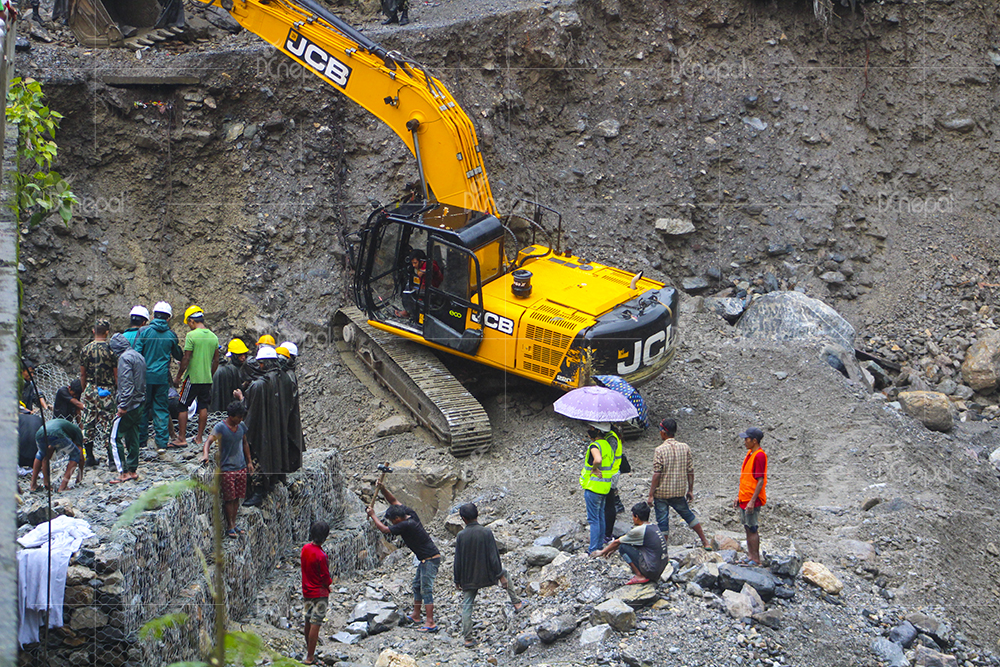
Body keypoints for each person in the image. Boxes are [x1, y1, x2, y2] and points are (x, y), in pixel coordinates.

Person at [366, 484, 441, 632]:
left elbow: (385, 529)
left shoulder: (407, 524)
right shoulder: (408, 513)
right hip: (425, 558)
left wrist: (373, 515)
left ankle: (430, 622)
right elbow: (393, 500)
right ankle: (416, 615)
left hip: (430, 559)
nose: (393, 523)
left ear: (398, 518)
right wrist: (382, 489)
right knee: (416, 586)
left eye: (393, 521)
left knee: (426, 589)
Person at [453, 503, 522, 647]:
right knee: (507, 574)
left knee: (467, 605)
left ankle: (468, 638)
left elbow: (457, 560)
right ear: (477, 515)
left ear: (463, 519)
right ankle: (517, 603)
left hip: (469, 578)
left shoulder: (461, 536)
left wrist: (457, 579)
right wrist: (500, 576)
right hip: (487, 575)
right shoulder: (486, 532)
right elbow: (493, 557)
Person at [646, 418, 711, 550]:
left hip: (662, 494)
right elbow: (690, 470)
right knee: (689, 516)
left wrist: (651, 494)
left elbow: (657, 474)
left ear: (664, 432)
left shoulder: (659, 450)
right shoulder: (685, 447)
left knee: (663, 522)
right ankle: (705, 541)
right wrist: (690, 490)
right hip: (678, 492)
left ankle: (664, 551)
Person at [134, 302, 183, 453]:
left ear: (153, 315)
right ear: (168, 318)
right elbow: (178, 355)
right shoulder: (171, 335)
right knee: (161, 409)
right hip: (162, 378)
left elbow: (136, 354)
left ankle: (142, 442)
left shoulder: (144, 331)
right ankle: (161, 444)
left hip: (145, 378)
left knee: (143, 408)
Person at [202, 401, 254, 538]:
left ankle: (234, 523)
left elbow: (244, 443)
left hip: (241, 467)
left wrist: (249, 462)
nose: (241, 419)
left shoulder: (241, 426)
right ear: (231, 416)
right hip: (227, 469)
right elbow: (208, 441)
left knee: (237, 497)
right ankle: (230, 525)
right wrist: (205, 454)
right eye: (239, 417)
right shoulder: (221, 427)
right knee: (229, 498)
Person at [174, 306, 219, 447]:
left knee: (182, 405)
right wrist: (209, 374)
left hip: (192, 378)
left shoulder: (191, 336)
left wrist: (178, 376)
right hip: (206, 379)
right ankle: (199, 438)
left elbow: (186, 358)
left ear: (192, 321)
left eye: (188, 323)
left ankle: (182, 438)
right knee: (203, 406)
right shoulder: (213, 337)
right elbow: (216, 360)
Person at [592, 502, 668, 585]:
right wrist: (613, 549)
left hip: (651, 570)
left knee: (623, 547)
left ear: (636, 517)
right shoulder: (653, 526)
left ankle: (640, 575)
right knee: (628, 544)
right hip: (660, 568)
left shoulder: (640, 530)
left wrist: (602, 552)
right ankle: (645, 572)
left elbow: (617, 542)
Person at [108, 334, 146, 484]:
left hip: (129, 405)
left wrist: (123, 406)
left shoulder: (124, 359)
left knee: (114, 438)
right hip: (139, 403)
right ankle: (132, 469)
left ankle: (123, 472)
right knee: (133, 436)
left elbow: (126, 384)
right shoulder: (138, 356)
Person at [80, 319, 117, 468]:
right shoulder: (111, 350)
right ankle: (112, 460)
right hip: (106, 390)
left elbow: (82, 374)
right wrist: (117, 390)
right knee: (108, 423)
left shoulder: (86, 349)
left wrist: (84, 390)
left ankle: (89, 456)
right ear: (107, 332)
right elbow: (116, 374)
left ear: (93, 331)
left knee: (88, 421)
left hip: (90, 388)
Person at [579, 421, 615, 554]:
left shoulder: (595, 446)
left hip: (593, 487)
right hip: (604, 487)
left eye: (592, 428)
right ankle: (600, 547)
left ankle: (593, 549)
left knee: (593, 519)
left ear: (598, 431)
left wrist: (594, 468)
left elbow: (598, 460)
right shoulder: (607, 445)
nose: (590, 430)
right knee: (600, 517)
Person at [734, 427, 768, 565]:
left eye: (746, 439)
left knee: (752, 528)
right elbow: (747, 479)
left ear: (755, 441)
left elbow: (760, 481)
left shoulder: (759, 455)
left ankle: (755, 559)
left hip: (751, 499)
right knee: (747, 527)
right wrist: (739, 496)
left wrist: (752, 501)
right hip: (745, 497)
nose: (744, 441)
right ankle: (750, 556)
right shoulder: (750, 454)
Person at [300, 521, 332, 666]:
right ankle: (310, 656)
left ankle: (309, 649)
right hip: (319, 592)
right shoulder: (321, 555)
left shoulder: (305, 549)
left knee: (308, 619)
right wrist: (328, 584)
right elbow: (325, 576)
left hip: (307, 591)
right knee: (316, 622)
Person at [29, 418, 84, 493]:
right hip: (55, 433)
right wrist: (79, 477)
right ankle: (62, 487)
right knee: (75, 454)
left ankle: (34, 485)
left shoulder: (65, 427)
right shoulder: (78, 432)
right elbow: (80, 457)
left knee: (42, 454)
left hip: (40, 432)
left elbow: (48, 454)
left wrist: (46, 481)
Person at [211, 339, 249, 412]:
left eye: (244, 354)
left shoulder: (247, 368)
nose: (243, 357)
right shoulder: (229, 369)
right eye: (240, 355)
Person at [604, 426, 624, 545]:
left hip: (610, 474)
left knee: (609, 504)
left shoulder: (611, 438)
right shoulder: (612, 436)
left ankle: (607, 533)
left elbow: (609, 458)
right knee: (609, 502)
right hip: (612, 472)